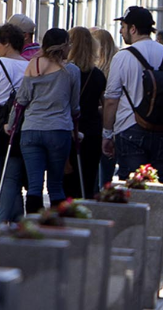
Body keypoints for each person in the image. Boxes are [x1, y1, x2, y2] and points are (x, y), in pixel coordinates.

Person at [102, 6, 163, 184]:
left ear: (133, 29)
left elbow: (111, 100)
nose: (121, 31)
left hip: (130, 128)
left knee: (132, 185)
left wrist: (107, 134)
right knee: (161, 185)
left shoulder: (122, 57)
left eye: (123, 26)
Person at [10, 28, 81, 214]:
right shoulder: (71, 71)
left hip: (32, 129)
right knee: (56, 185)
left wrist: (10, 125)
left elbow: (21, 100)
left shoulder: (34, 65)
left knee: (34, 186)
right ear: (64, 46)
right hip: (59, 129)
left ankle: (33, 228)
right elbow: (74, 106)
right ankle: (55, 228)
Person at [0, 23, 28, 224]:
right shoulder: (29, 66)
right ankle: (6, 223)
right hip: (19, 126)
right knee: (12, 178)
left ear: (8, 43)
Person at [63, 27, 107, 200]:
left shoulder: (64, 72)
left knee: (65, 180)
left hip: (68, 128)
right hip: (92, 131)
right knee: (87, 180)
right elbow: (104, 103)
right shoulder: (97, 75)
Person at [90, 27, 118, 185]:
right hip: (113, 124)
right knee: (106, 175)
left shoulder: (93, 70)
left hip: (96, 125)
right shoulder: (117, 64)